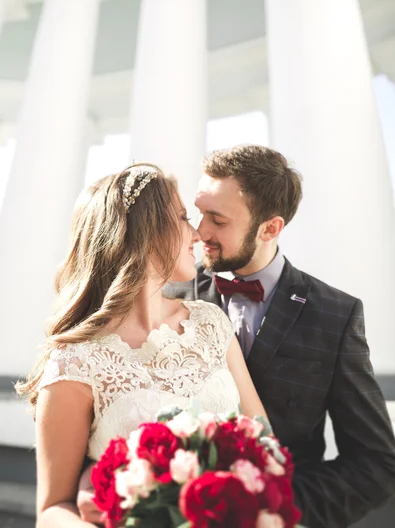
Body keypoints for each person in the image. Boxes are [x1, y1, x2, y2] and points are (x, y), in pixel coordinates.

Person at [17, 163, 268, 528]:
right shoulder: (74, 362)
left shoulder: (211, 322)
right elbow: (53, 510)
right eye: (183, 217)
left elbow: (262, 441)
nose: (196, 233)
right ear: (145, 231)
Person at [163, 145, 395, 528]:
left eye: (217, 220)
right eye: (199, 213)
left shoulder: (335, 314)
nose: (199, 231)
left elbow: (375, 463)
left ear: (270, 228)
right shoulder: (168, 294)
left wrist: (275, 511)